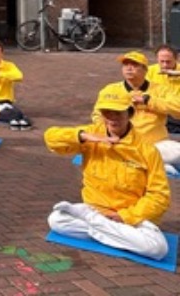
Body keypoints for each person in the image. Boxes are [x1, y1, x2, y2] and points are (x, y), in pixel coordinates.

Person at [45, 90, 170, 260]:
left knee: (158, 249)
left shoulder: (146, 149)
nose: (112, 118)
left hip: (129, 217)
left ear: (130, 113)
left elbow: (159, 196)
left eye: (118, 113)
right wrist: (83, 136)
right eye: (106, 112)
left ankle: (95, 223)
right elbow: (51, 138)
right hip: (97, 209)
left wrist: (124, 216)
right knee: (56, 220)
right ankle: (115, 235)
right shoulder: (92, 134)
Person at [93, 51, 180, 176]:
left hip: (156, 144)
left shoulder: (160, 90)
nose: (129, 68)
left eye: (134, 65)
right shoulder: (110, 90)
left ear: (145, 70)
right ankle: (151, 165)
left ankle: (142, 163)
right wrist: (107, 135)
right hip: (123, 144)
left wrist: (149, 101)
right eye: (125, 65)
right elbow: (97, 116)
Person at [145, 44, 180, 134]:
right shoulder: (149, 72)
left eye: (168, 62)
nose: (165, 65)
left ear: (176, 59)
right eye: (162, 61)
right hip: (158, 114)